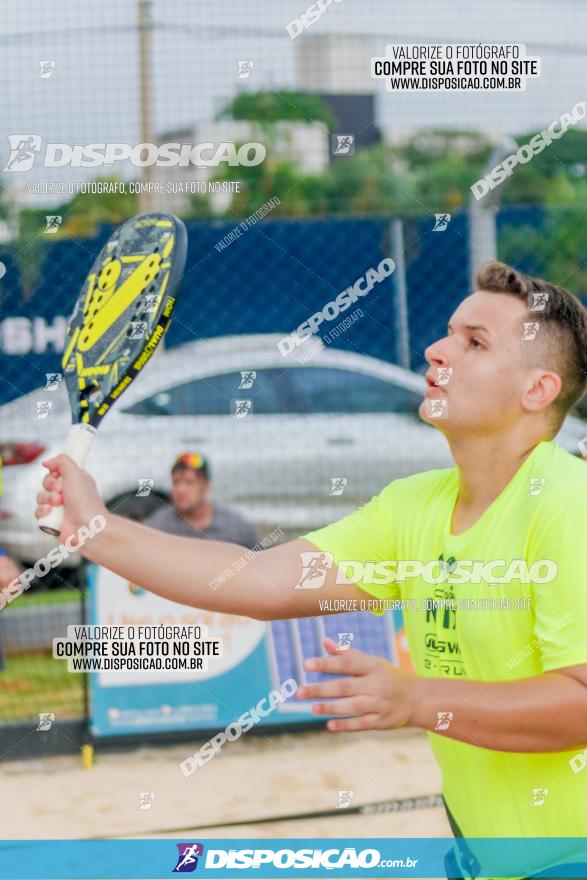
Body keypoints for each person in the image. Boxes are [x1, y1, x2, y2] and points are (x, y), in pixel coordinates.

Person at [35, 261, 587, 878]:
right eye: (449, 331)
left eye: (474, 342)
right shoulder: (415, 505)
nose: (437, 349)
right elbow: (257, 580)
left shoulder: (568, 505)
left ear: (536, 390)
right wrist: (98, 528)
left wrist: (418, 697)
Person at [142, 452, 259, 550]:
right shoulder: (157, 527)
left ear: (207, 486)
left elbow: (259, 560)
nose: (180, 490)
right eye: (176, 482)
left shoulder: (235, 525)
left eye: (189, 482)